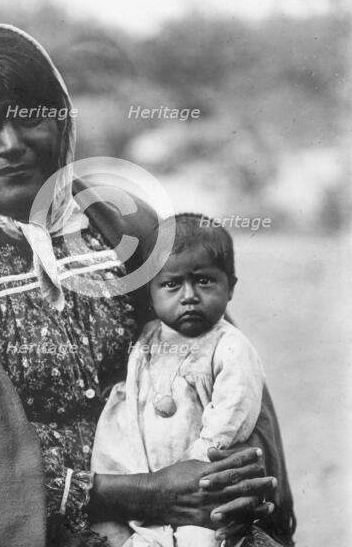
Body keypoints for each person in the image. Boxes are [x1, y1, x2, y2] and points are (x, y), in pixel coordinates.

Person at [0, 24, 295, 547]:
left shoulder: (124, 228)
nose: (11, 145)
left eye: (31, 118)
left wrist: (228, 475)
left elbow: (222, 358)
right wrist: (143, 492)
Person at [92, 213, 277, 546]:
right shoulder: (149, 339)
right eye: (172, 284)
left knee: (201, 540)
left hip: (201, 484)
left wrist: (200, 464)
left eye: (204, 281)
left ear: (230, 287)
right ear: (151, 292)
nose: (189, 295)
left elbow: (234, 409)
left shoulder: (229, 346)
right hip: (150, 482)